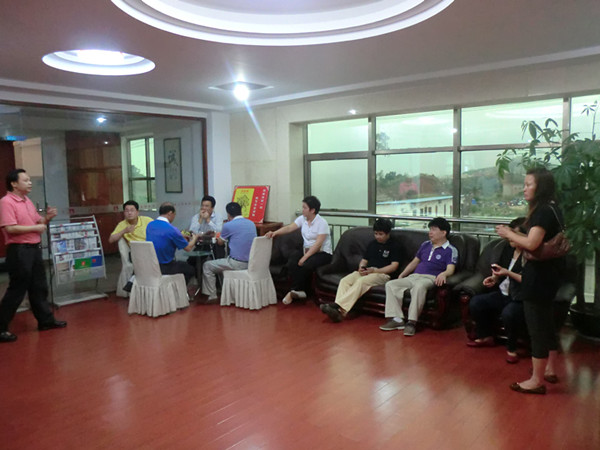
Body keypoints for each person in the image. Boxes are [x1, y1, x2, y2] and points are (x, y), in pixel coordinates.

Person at [496, 168, 565, 395]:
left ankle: (536, 380)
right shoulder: (553, 207)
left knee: (537, 328)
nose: (524, 189)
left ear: (540, 187)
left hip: (538, 277)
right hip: (551, 274)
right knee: (547, 324)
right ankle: (549, 369)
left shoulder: (542, 211)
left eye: (528, 184)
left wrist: (508, 234)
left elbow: (532, 244)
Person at [0, 169, 66, 343]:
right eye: (26, 180)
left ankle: (46, 321)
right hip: (19, 250)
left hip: (34, 249)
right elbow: (10, 228)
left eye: (30, 180)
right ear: (14, 184)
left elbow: (39, 222)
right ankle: (1, 328)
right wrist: (35, 228)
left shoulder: (27, 201)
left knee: (39, 287)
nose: (30, 183)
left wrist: (48, 217)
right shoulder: (6, 202)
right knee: (17, 290)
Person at [380, 217, 457, 337]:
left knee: (419, 287)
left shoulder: (450, 250)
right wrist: (402, 275)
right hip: (414, 276)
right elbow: (414, 262)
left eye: (434, 230)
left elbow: (450, 269)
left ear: (443, 232)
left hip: (430, 278)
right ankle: (397, 319)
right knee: (391, 284)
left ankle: (412, 322)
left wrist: (444, 274)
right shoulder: (425, 245)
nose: (430, 233)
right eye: (430, 229)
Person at [467, 217, 527, 364]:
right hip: (503, 293)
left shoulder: (531, 255)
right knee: (476, 302)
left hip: (519, 297)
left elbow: (528, 280)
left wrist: (508, 273)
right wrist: (494, 278)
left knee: (509, 313)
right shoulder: (508, 249)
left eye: (514, 234)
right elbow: (500, 269)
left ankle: (512, 348)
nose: (510, 237)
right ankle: (485, 336)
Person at [320, 218, 401, 323]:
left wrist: (375, 271)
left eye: (381, 234)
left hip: (382, 274)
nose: (378, 236)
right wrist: (361, 267)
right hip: (367, 272)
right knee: (345, 281)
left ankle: (337, 306)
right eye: (376, 234)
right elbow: (364, 260)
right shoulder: (373, 244)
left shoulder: (395, 246)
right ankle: (339, 312)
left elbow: (394, 266)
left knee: (361, 282)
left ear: (388, 233)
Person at [265, 196, 332, 305]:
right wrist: (275, 233)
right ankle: (299, 291)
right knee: (293, 260)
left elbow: (318, 245)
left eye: (305, 208)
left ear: (312, 210)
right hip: (307, 250)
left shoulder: (322, 223)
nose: (302, 210)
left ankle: (294, 291)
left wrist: (304, 257)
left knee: (306, 264)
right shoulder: (302, 219)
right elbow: (289, 228)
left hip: (322, 253)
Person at [201, 202, 256, 303]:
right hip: (252, 263)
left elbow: (220, 242)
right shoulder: (251, 223)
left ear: (228, 214)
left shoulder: (228, 225)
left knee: (207, 265)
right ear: (241, 211)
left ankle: (212, 295)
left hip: (237, 263)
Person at [145, 202, 199, 285]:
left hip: (150, 265)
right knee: (190, 269)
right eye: (174, 214)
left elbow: (162, 236)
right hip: (165, 266)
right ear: (170, 213)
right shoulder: (172, 229)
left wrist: (179, 235)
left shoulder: (150, 225)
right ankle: (177, 289)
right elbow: (188, 248)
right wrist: (195, 238)